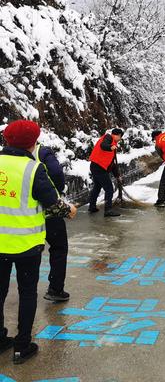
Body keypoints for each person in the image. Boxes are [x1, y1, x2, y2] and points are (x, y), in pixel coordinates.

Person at [0, 120, 76, 364]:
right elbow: (52, 202)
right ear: (33, 143)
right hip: (26, 246)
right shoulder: (33, 169)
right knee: (27, 293)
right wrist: (69, 209)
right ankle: (22, 346)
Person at [33, 143, 70, 302]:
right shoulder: (42, 152)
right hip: (48, 211)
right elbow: (56, 172)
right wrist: (57, 190)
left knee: (25, 254)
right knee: (59, 247)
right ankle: (55, 288)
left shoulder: (5, 157)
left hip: (19, 218)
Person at [88, 128, 124, 217]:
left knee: (97, 187)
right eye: (120, 137)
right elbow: (103, 145)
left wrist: (117, 175)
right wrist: (110, 147)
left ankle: (92, 206)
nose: (120, 139)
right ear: (117, 135)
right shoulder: (108, 137)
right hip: (98, 167)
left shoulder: (113, 144)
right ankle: (108, 210)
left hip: (96, 167)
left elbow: (112, 163)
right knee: (109, 189)